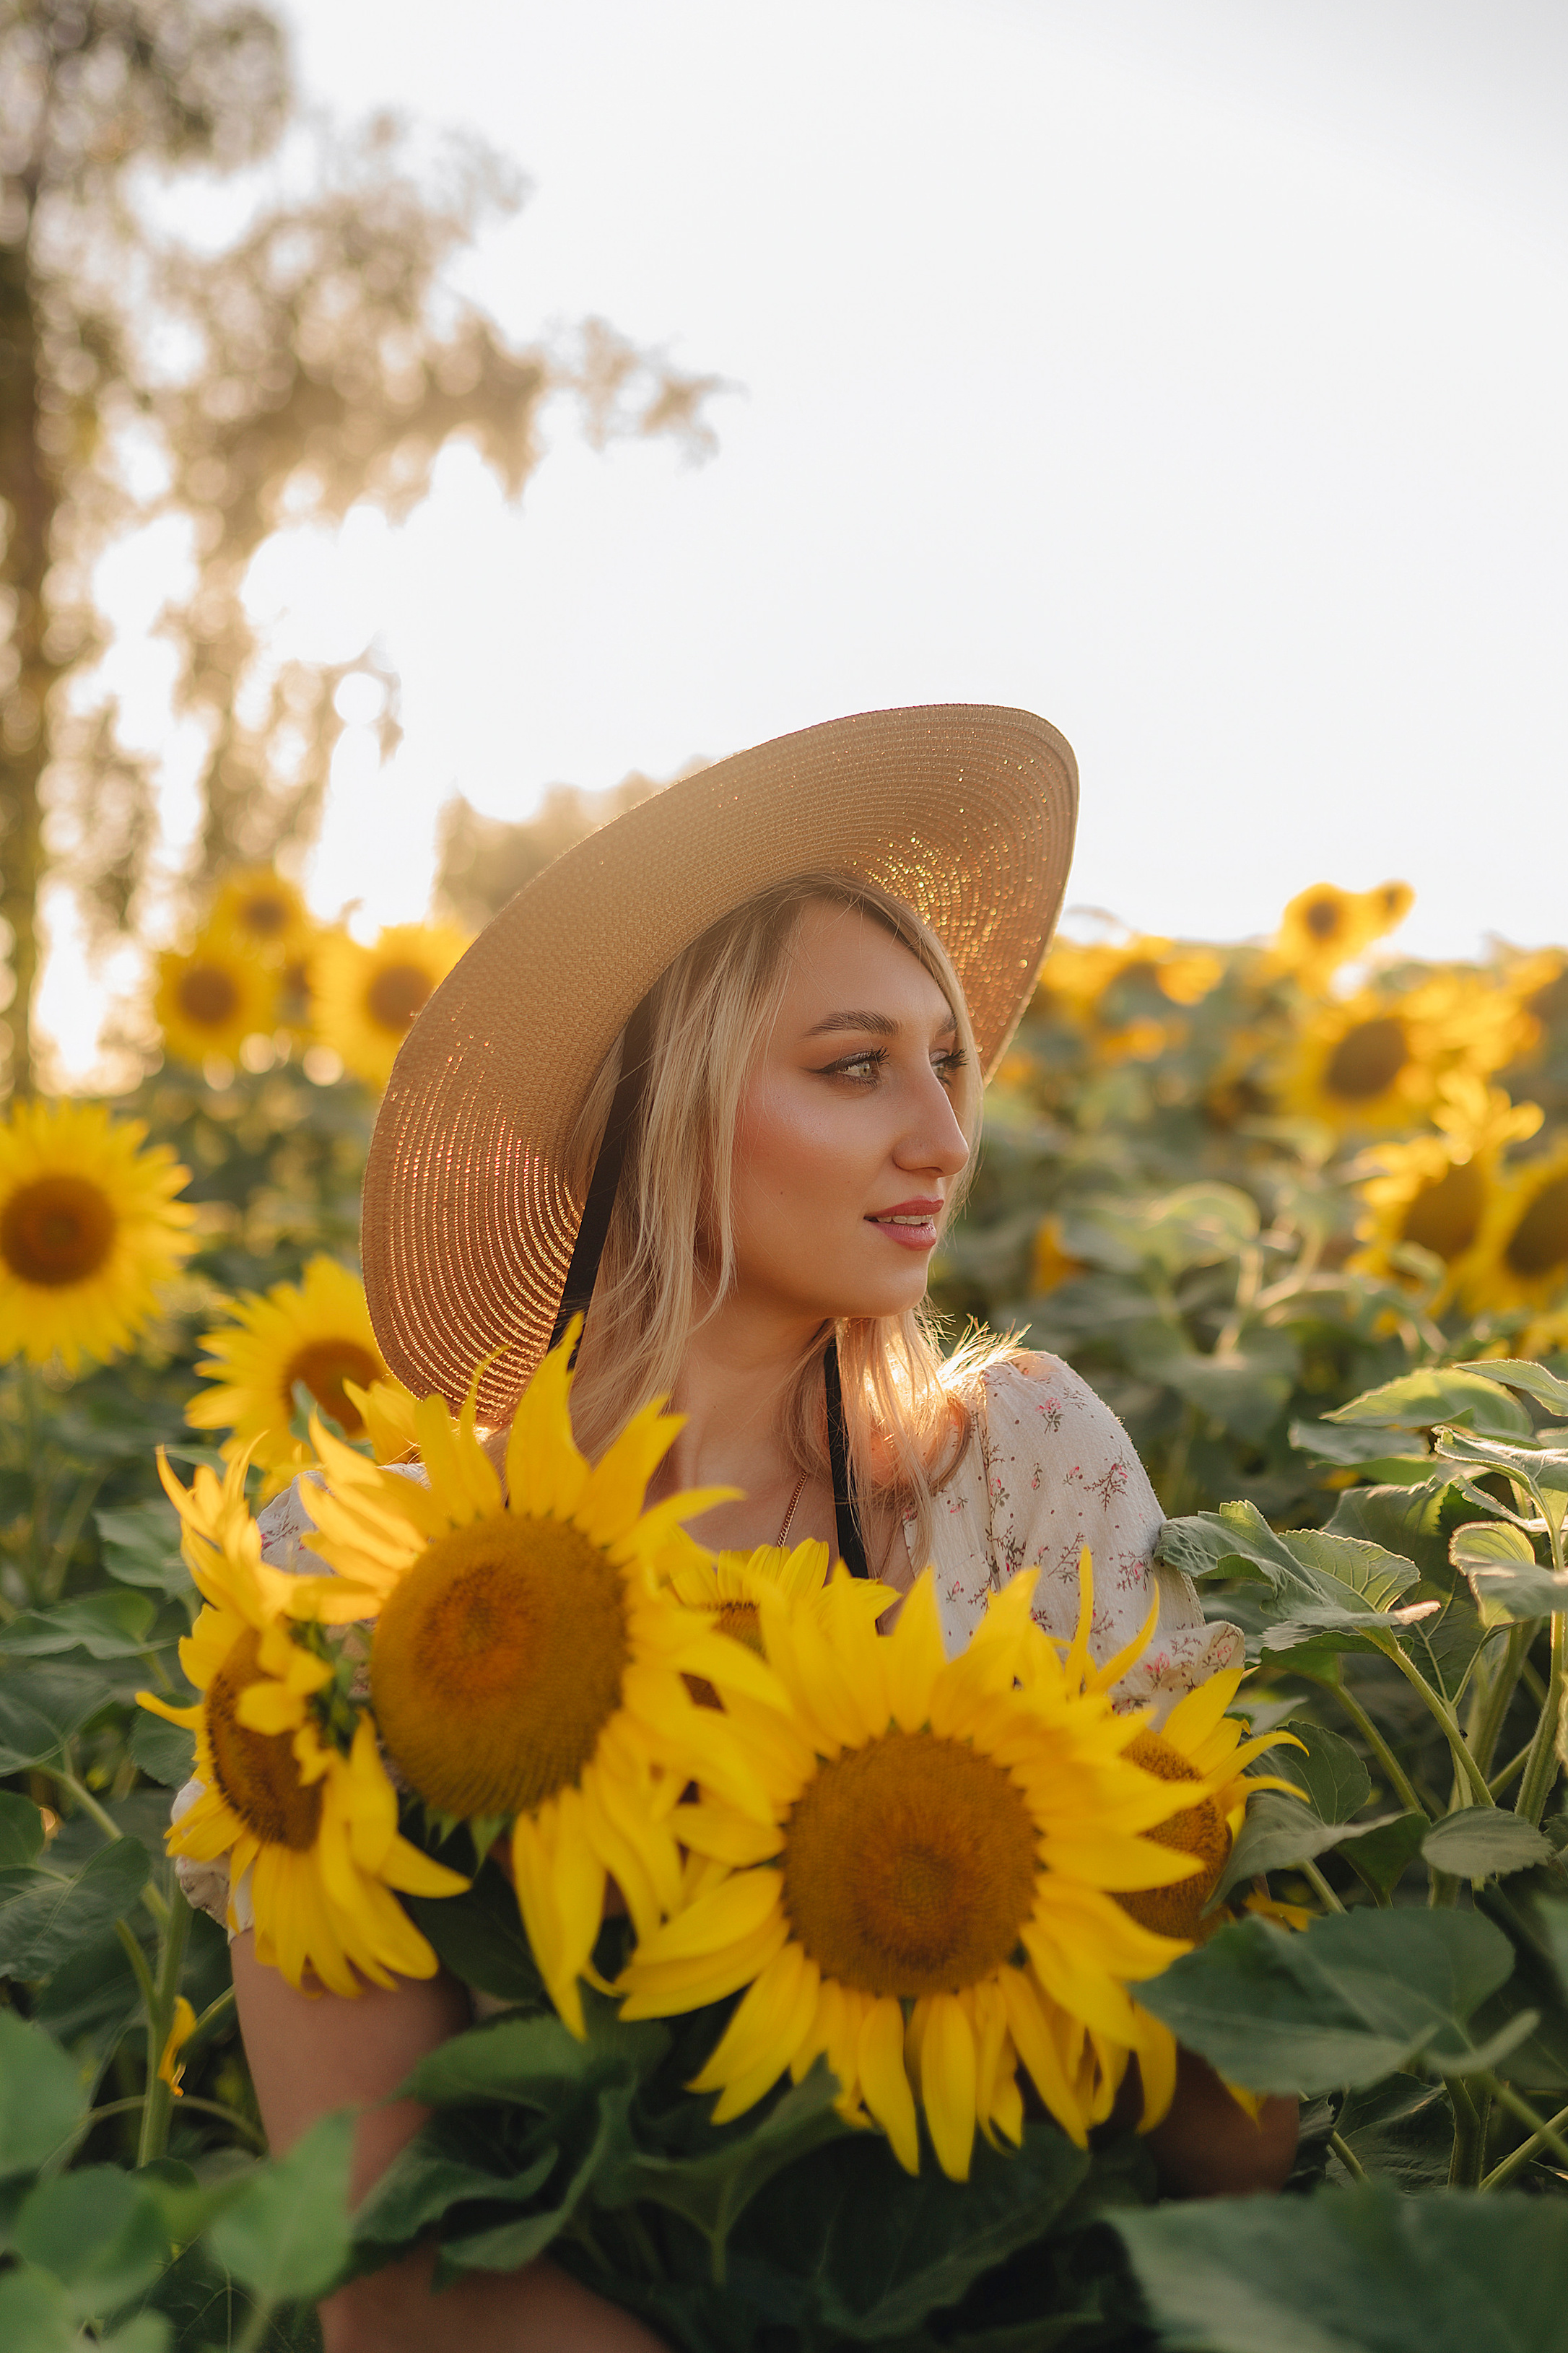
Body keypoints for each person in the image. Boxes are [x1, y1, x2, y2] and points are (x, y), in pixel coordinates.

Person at [178, 706, 1298, 2353]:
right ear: (661, 1107)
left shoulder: (1028, 1466)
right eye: (854, 1066)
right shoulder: (357, 1581)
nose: (940, 1132)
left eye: (944, 1059)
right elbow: (392, 2275)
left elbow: (1230, 2151)